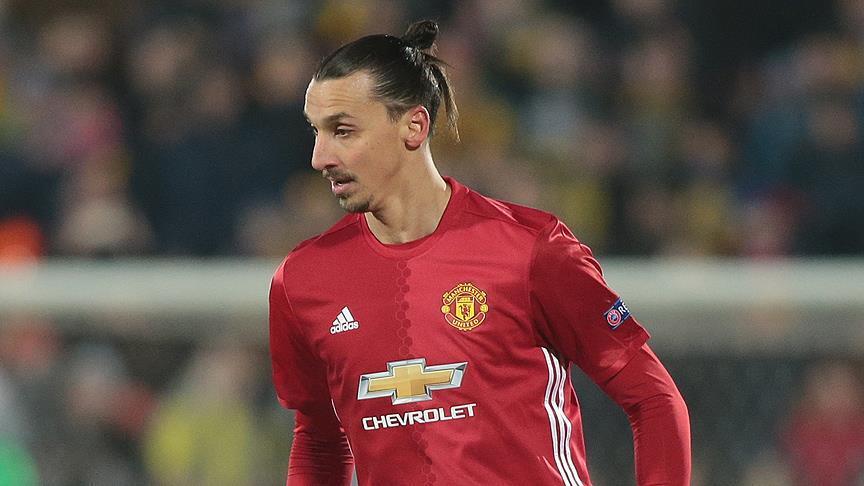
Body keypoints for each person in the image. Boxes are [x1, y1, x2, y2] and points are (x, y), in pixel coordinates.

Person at [269, 20, 691, 486]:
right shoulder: (303, 281)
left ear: (413, 126)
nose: (319, 157)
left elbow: (652, 399)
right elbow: (319, 441)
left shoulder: (531, 250)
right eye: (316, 131)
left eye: (343, 131)